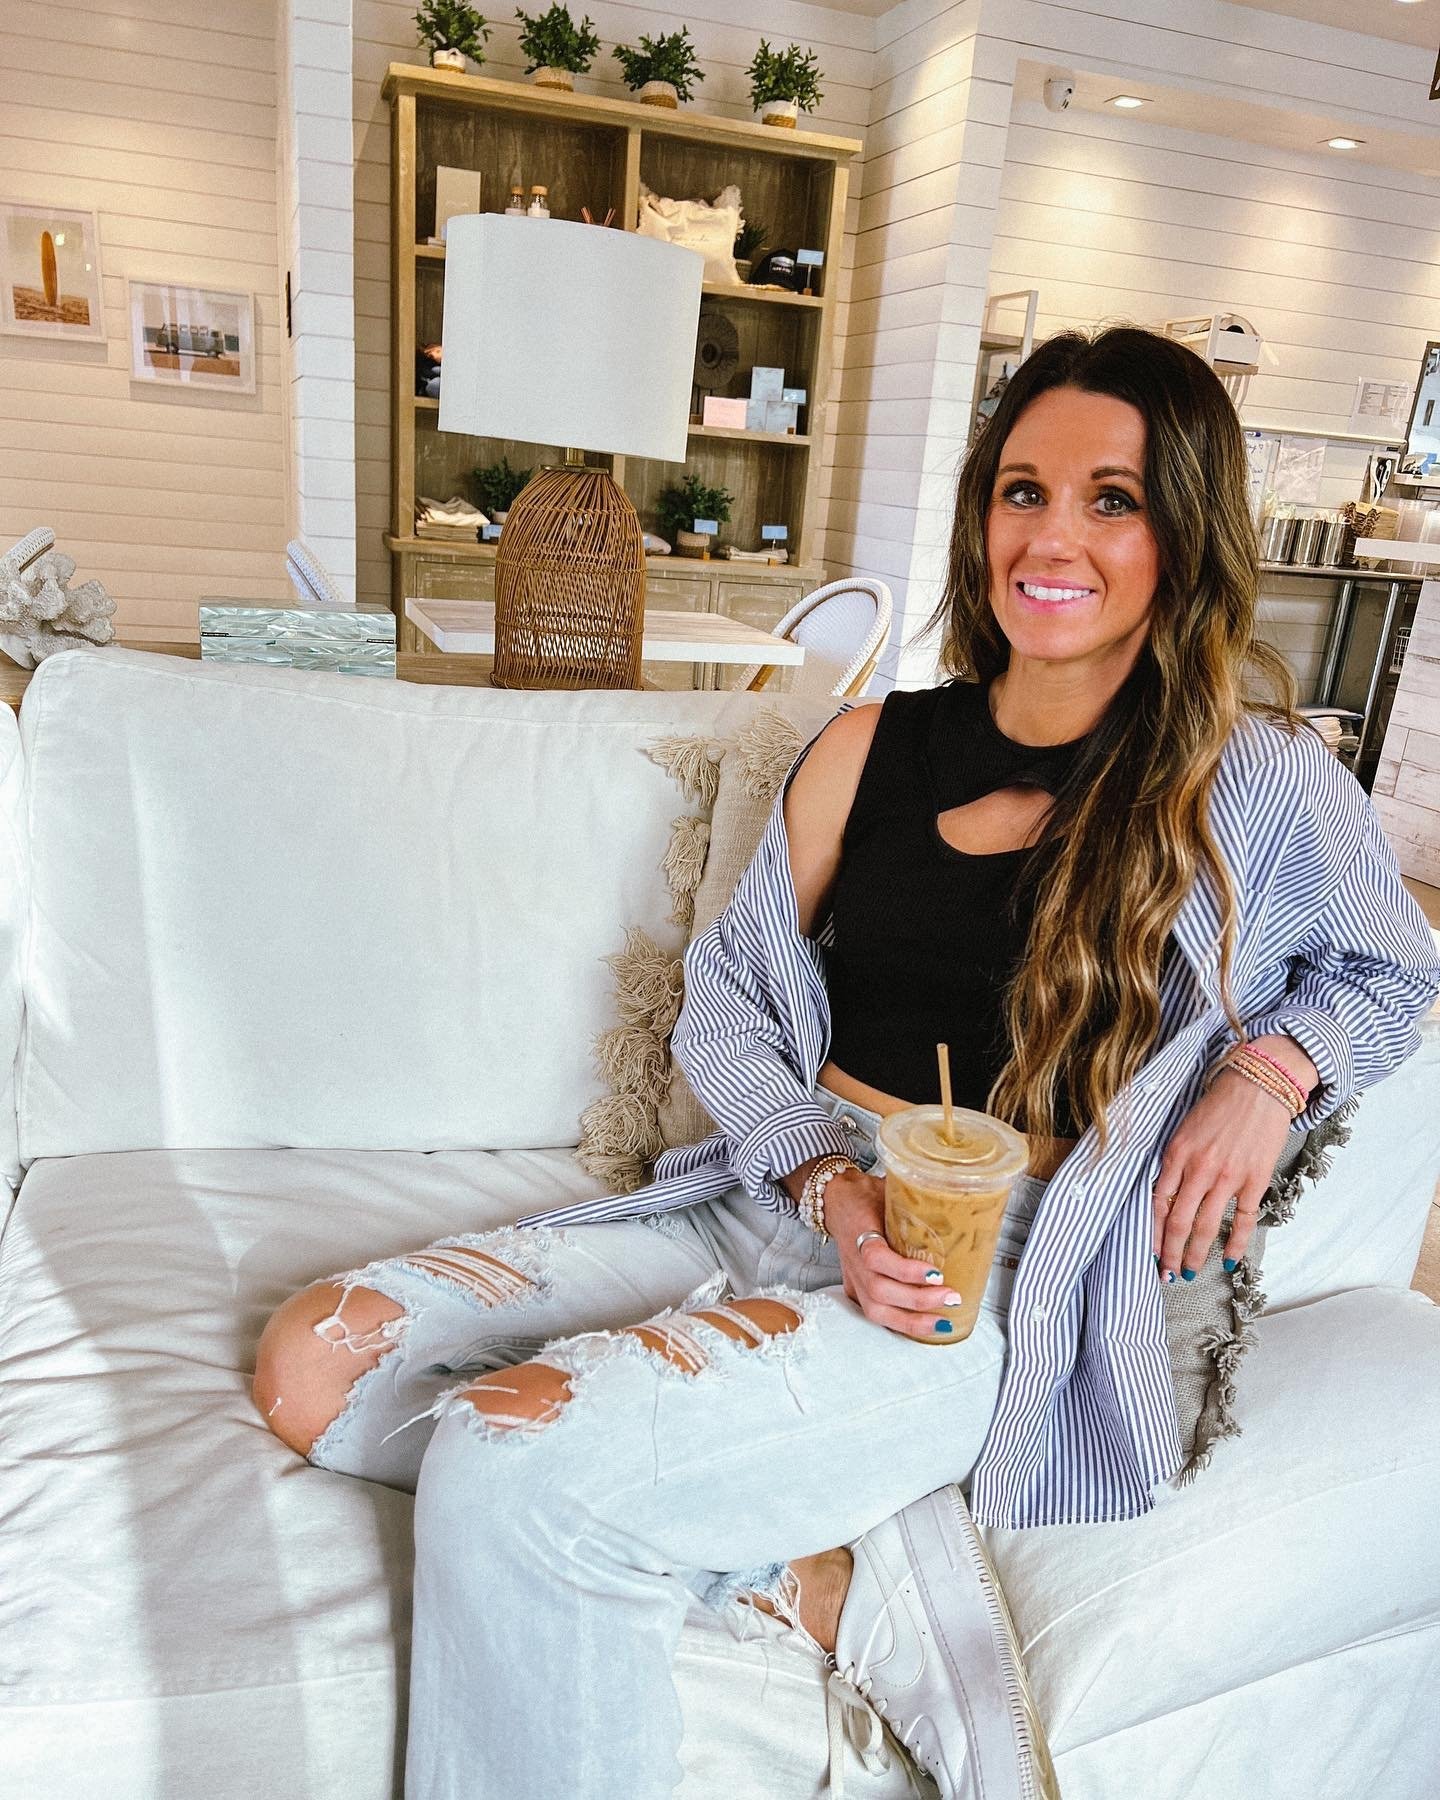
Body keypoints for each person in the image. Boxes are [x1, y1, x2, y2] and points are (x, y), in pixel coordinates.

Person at [253, 325, 1440, 1800]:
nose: (1050, 538)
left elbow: (1398, 970)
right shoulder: (869, 745)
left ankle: (794, 1553)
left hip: (989, 1270)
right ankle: (804, 1574)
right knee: (316, 1360)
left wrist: (1270, 1075)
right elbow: (728, 1002)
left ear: (1183, 536)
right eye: (1022, 491)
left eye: (1114, 500)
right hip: (782, 1189)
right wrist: (825, 1175)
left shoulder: (1251, 780)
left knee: (515, 1464)